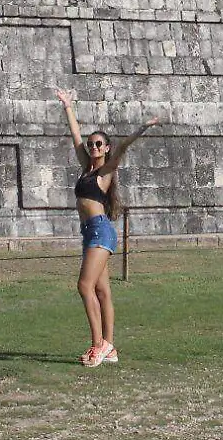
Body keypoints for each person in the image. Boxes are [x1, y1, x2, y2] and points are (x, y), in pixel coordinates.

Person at [54, 89, 159, 368]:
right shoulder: (86, 167)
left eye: (99, 144)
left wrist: (141, 130)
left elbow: (123, 148)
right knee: (102, 292)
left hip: (100, 231)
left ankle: (98, 345)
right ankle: (110, 348)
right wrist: (68, 106)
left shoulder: (105, 172)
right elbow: (75, 135)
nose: (94, 148)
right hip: (90, 231)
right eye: (92, 145)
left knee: (84, 286)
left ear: (107, 147)